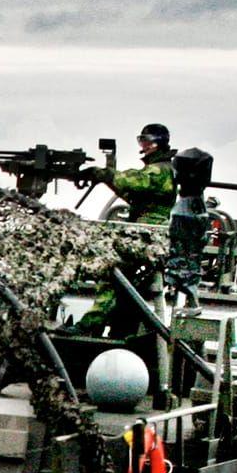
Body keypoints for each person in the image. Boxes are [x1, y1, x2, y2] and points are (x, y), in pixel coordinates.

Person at [70, 123, 179, 336]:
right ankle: (115, 328)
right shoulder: (160, 168)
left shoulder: (160, 170)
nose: (143, 145)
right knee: (123, 285)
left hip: (147, 236)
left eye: (146, 141)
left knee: (113, 272)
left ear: (158, 143)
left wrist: (102, 173)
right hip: (144, 232)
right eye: (141, 140)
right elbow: (130, 191)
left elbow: (132, 181)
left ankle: (90, 324)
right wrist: (105, 176)